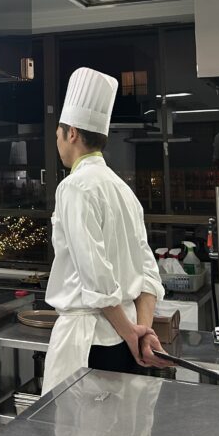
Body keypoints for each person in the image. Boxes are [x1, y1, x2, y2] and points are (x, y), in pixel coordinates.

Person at [42, 67, 170, 396]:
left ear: (71, 133)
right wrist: (140, 331)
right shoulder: (122, 190)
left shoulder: (75, 187)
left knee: (78, 424)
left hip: (89, 343)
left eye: (57, 134)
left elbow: (95, 277)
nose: (57, 142)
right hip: (125, 344)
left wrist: (131, 332)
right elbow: (148, 274)